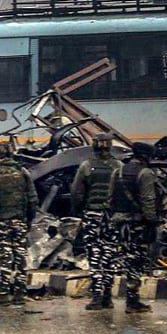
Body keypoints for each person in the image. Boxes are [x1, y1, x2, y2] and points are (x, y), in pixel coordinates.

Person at [0, 141, 38, 304]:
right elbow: (32, 198)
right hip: (20, 220)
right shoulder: (23, 172)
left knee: (5, 257)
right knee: (20, 255)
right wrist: (30, 219)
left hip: (2, 221)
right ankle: (19, 292)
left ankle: (3, 293)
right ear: (12, 154)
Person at [70, 133, 122, 311]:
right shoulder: (118, 166)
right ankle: (108, 295)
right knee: (109, 254)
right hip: (112, 217)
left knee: (94, 255)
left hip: (92, 215)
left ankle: (97, 296)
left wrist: (81, 210)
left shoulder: (86, 166)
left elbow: (76, 192)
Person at [108, 142, 159, 313]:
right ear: (146, 156)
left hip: (118, 222)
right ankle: (132, 300)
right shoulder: (145, 174)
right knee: (135, 261)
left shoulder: (118, 171)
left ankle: (108, 296)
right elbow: (148, 200)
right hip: (136, 224)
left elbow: (110, 198)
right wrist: (152, 222)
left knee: (120, 259)